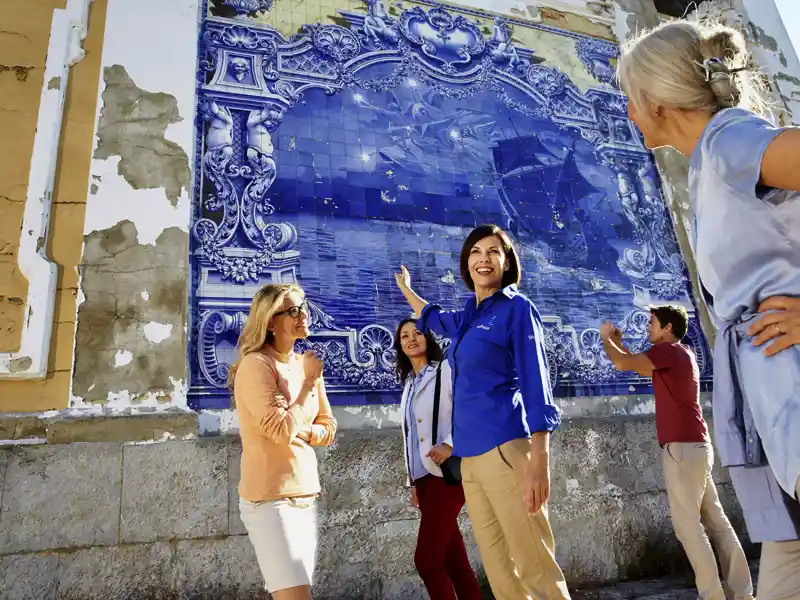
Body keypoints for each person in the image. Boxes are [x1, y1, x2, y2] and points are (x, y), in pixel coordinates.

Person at [617, 19, 800, 600]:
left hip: (791, 377)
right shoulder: (709, 166)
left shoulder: (728, 142)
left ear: (655, 99)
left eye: (629, 98)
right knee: (784, 561)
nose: (626, 112)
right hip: (770, 399)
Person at [394, 224, 571, 600]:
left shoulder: (517, 309)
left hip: (507, 450)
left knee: (534, 567)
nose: (483, 258)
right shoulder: (467, 316)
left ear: (507, 263)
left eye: (493, 251)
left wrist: (540, 457)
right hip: (470, 462)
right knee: (500, 574)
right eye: (475, 252)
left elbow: (537, 383)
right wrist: (406, 289)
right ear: (466, 264)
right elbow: (432, 317)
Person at [600, 305, 753, 600]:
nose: (648, 327)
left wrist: (606, 338)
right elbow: (635, 363)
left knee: (688, 527)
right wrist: (618, 344)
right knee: (716, 523)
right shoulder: (678, 354)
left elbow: (621, 364)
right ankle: (742, 594)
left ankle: (713, 596)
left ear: (667, 328)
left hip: (682, 450)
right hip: (695, 447)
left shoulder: (669, 352)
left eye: (652, 322)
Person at [228, 283, 336, 600]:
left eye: (303, 307)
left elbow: (327, 427)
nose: (302, 314)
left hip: (306, 496)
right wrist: (308, 386)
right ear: (270, 322)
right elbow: (280, 431)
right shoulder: (256, 365)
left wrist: (301, 429)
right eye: (292, 310)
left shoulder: (305, 363)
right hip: (271, 501)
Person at [394, 318, 483, 600]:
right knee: (454, 561)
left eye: (417, 332)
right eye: (405, 336)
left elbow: (470, 409)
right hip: (425, 480)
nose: (411, 338)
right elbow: (410, 436)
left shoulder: (444, 370)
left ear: (428, 338)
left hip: (447, 475)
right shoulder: (409, 383)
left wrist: (449, 444)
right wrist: (413, 483)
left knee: (428, 561)